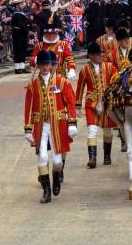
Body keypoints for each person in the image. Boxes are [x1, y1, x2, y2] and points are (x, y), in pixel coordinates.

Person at [24, 50, 78, 203]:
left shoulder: (62, 82)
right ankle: (46, 191)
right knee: (42, 156)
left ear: (51, 65)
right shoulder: (33, 86)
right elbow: (27, 107)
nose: (45, 67)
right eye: (42, 65)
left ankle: (56, 178)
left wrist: (72, 123)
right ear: (38, 66)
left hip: (58, 125)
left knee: (57, 161)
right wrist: (28, 129)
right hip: (41, 126)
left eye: (47, 64)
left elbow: (70, 103)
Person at [75, 42, 119, 168]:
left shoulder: (109, 67)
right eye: (96, 54)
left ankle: (107, 157)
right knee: (92, 130)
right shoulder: (84, 70)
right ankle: (92, 158)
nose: (99, 56)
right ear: (90, 56)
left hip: (106, 104)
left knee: (107, 132)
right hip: (91, 104)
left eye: (99, 54)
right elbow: (80, 88)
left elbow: (117, 79)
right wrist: (78, 106)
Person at [11, 0, 30, 74]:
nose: (23, 5)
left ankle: (22, 66)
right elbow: (21, 25)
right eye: (21, 4)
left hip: (22, 34)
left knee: (22, 49)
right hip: (18, 34)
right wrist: (28, 31)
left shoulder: (20, 13)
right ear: (17, 5)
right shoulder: (16, 14)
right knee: (18, 50)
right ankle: (17, 67)